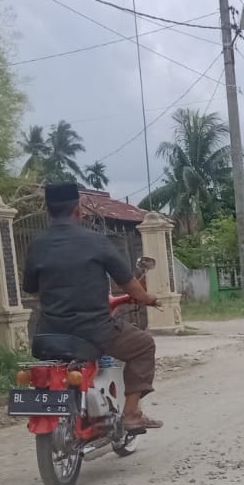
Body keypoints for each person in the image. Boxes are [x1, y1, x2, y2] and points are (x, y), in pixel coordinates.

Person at [22, 181, 163, 430]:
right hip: (94, 330)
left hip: (48, 333)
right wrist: (148, 298)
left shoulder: (37, 244)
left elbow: (31, 288)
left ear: (48, 211)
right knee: (143, 345)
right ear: (78, 210)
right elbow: (130, 286)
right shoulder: (96, 241)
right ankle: (131, 413)